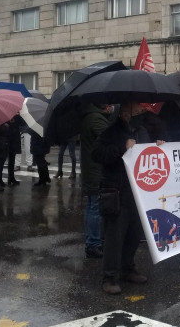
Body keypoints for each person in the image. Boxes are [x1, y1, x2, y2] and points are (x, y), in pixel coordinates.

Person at [92, 102, 153, 295]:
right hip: (118, 190)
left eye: (136, 111)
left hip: (139, 192)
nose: (134, 114)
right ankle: (109, 277)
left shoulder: (142, 131)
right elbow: (97, 154)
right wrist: (122, 147)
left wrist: (158, 147)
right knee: (115, 237)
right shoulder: (111, 131)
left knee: (134, 234)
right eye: (130, 111)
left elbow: (150, 154)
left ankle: (128, 268)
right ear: (122, 113)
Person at [79, 103, 112, 259]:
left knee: (92, 205)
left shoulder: (90, 116)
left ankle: (92, 241)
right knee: (95, 207)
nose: (111, 105)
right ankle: (93, 244)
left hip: (92, 169)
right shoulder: (96, 119)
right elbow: (108, 139)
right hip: (96, 170)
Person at [6, 117, 22, 185]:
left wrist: (18, 117)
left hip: (14, 140)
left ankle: (11, 177)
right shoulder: (3, 116)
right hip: (5, 139)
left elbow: (22, 124)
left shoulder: (16, 116)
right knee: (1, 161)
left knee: (12, 160)